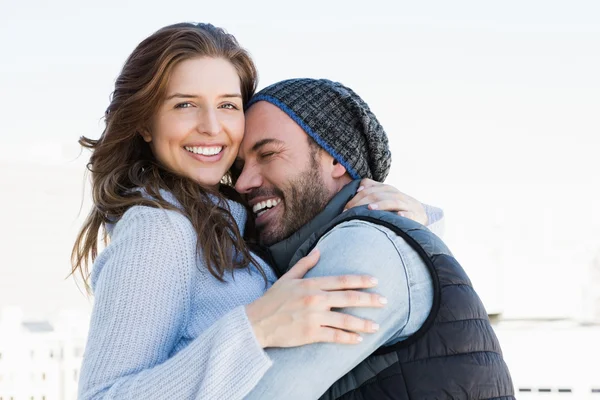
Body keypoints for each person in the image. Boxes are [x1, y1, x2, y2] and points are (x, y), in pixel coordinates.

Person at [73, 23, 438, 399]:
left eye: (228, 105)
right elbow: (103, 395)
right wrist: (254, 327)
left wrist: (414, 215)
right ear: (146, 123)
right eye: (185, 104)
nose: (212, 127)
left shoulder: (229, 219)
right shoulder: (159, 225)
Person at [234, 78, 515, 399]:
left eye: (268, 153)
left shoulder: (364, 246)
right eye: (239, 167)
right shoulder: (357, 242)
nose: (243, 182)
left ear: (336, 158)